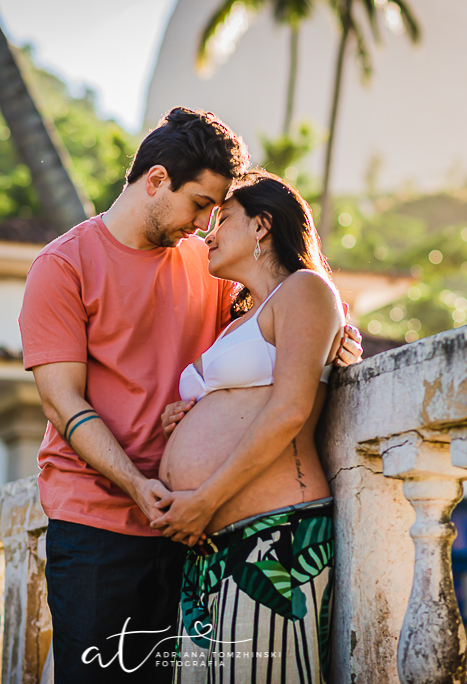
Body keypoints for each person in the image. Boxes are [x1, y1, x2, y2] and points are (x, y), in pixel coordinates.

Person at [18, 108, 362, 683]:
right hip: (99, 526)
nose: (205, 225)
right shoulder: (63, 266)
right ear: (156, 180)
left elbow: (275, 321)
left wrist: (341, 337)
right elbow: (63, 403)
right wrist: (138, 485)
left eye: (216, 212)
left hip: (199, 527)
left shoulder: (210, 265)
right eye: (200, 204)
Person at [153, 170, 343, 684]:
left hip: (271, 538)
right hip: (208, 547)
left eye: (223, 219)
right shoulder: (241, 320)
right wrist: (184, 418)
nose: (208, 234)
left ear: (261, 225)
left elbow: (290, 410)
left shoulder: (304, 289)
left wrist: (205, 498)